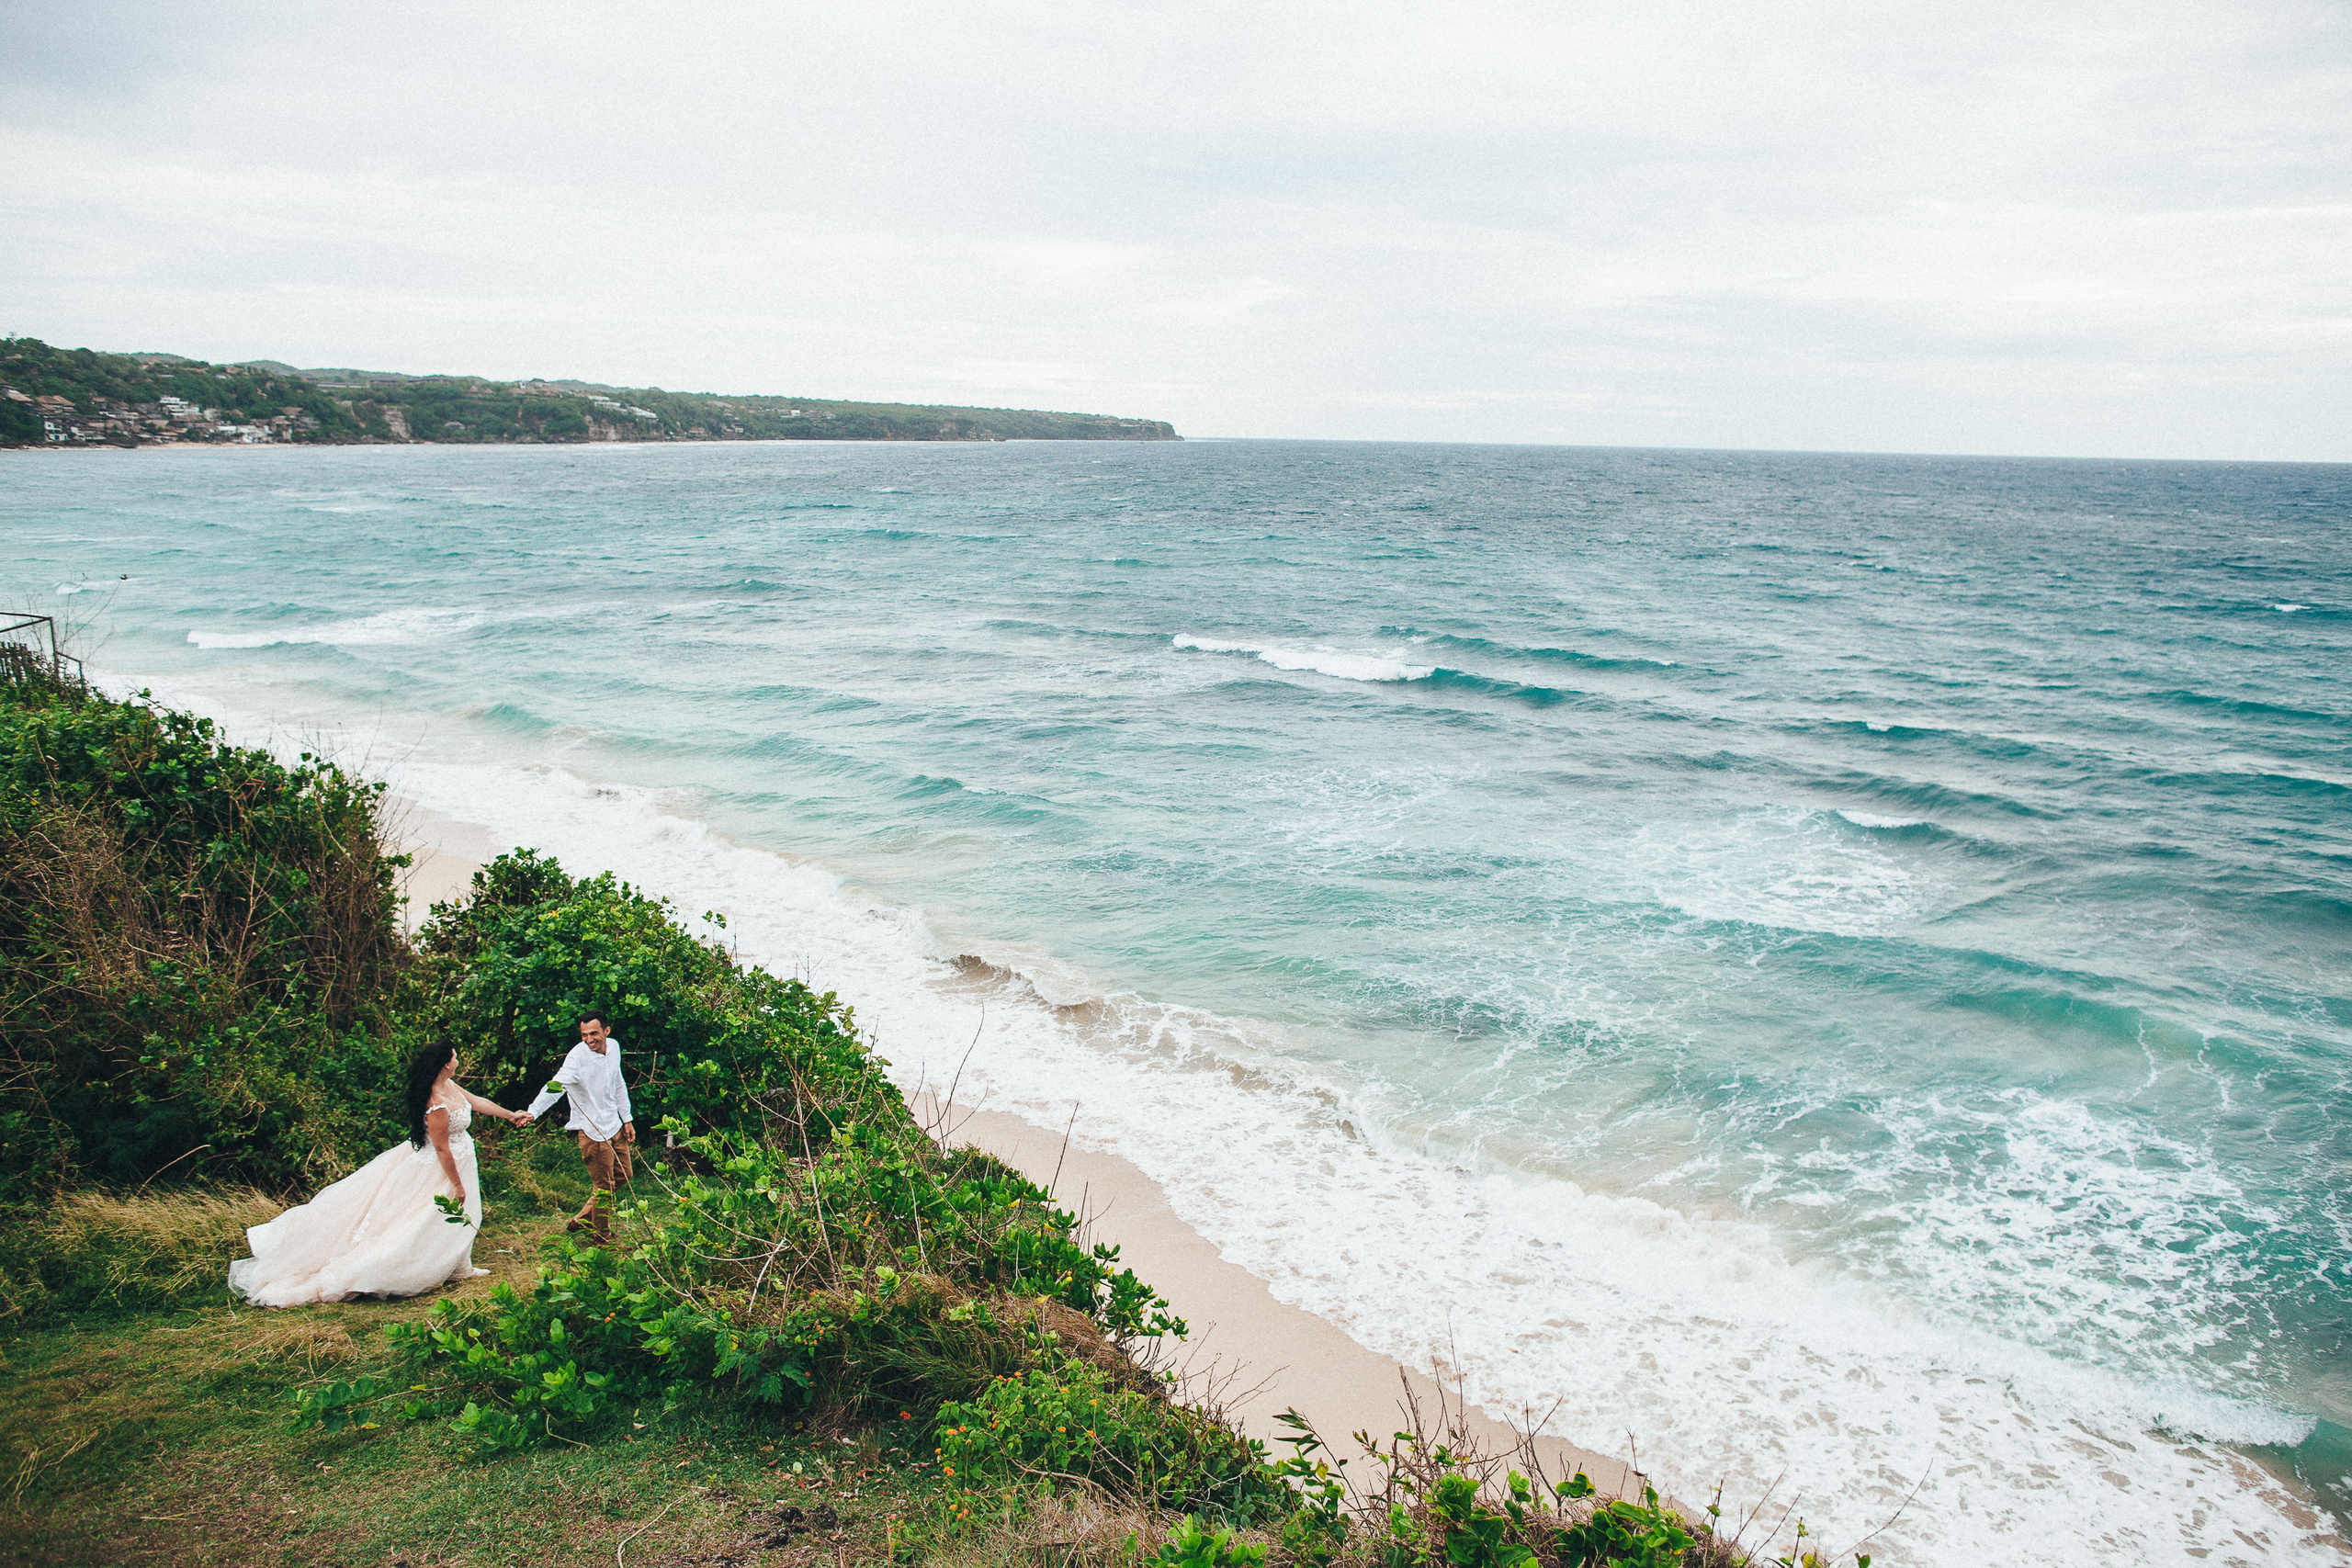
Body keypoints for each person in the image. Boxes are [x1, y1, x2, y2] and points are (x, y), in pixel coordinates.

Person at [228, 1041, 527, 1307]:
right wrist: (457, 1185)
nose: (459, 1060)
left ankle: (460, 1266)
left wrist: (511, 1114)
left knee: (463, 1214)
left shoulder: (450, 1086)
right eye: (456, 1057)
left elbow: (477, 1102)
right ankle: (391, 1268)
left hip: (462, 1158)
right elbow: (441, 1150)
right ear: (445, 1063)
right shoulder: (435, 1102)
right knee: (424, 1218)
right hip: (439, 1169)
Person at [522, 1010, 636, 1244]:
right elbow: (555, 1087)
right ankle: (601, 1238)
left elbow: (618, 1083)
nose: (589, 1039)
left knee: (624, 1175)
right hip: (592, 1132)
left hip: (614, 1126)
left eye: (594, 1033)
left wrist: (627, 1118)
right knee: (604, 1188)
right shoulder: (576, 1058)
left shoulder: (614, 1047)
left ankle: (583, 1218)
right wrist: (533, 1112)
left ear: (606, 1031)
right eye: (584, 1035)